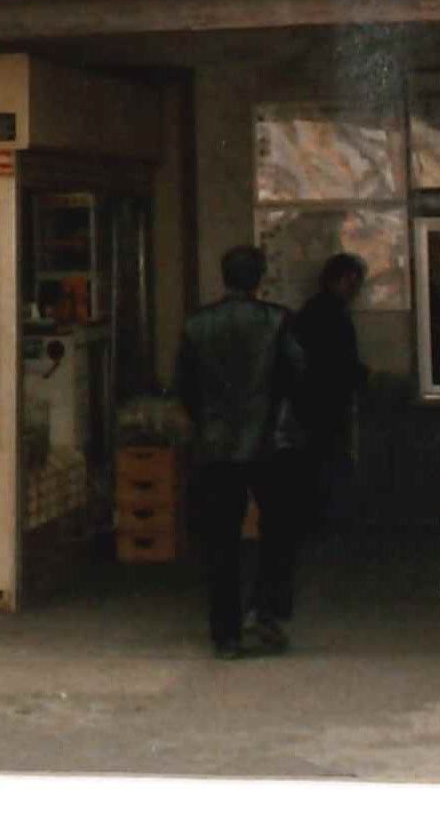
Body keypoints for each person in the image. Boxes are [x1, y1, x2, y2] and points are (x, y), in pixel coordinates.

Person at [174, 243, 307, 659]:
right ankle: (265, 610)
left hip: (215, 443)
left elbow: (185, 386)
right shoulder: (278, 320)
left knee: (220, 539)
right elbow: (298, 376)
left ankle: (225, 634)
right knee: (280, 529)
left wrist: (205, 421)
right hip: (268, 442)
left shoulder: (197, 325)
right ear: (260, 278)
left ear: (224, 276)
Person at [285, 252, 370, 538]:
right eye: (352, 282)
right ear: (339, 280)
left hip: (312, 402)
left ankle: (317, 524)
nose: (355, 289)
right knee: (328, 463)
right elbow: (337, 360)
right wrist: (360, 376)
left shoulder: (313, 311)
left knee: (317, 464)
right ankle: (326, 524)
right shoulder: (332, 314)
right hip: (326, 402)